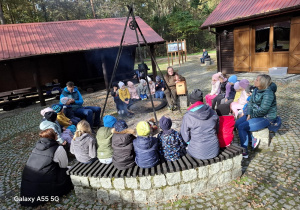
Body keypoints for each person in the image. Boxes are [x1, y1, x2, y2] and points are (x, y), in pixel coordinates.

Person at [20, 129, 73, 207]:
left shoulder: (37, 146)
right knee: (66, 172)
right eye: (55, 133)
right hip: (44, 180)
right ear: (53, 137)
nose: (57, 134)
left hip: (28, 179)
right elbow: (63, 166)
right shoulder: (58, 149)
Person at [235, 74, 277, 158]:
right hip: (253, 114)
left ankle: (244, 151)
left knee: (242, 127)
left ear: (262, 82)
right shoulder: (256, 90)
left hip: (266, 117)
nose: (254, 81)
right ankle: (252, 139)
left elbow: (263, 110)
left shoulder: (268, 94)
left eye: (257, 80)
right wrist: (249, 114)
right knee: (236, 124)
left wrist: (252, 116)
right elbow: (250, 103)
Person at [180, 89, 219, 160]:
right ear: (202, 100)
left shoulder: (188, 116)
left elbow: (185, 137)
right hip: (214, 150)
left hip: (196, 151)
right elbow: (217, 130)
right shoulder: (212, 112)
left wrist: (190, 142)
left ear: (191, 102)